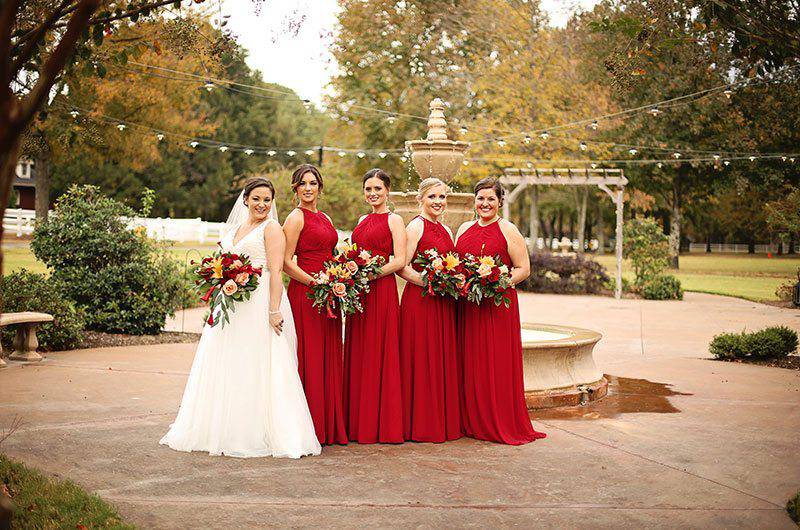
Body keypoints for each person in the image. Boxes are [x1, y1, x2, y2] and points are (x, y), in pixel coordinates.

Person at [160, 177, 321, 458]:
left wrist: (274, 311)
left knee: (258, 363)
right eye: (256, 199)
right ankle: (223, 427)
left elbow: (276, 272)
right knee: (228, 361)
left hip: (259, 306)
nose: (261, 204)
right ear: (245, 199)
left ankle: (258, 431)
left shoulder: (272, 229)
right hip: (231, 306)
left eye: (267, 200)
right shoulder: (235, 228)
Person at [454, 177, 546, 445]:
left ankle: (499, 420)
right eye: (480, 199)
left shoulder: (508, 230)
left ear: (499, 202)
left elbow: (523, 269)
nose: (485, 204)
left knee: (495, 363)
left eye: (490, 199)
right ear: (474, 201)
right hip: (469, 307)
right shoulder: (463, 229)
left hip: (496, 307)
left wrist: (495, 282)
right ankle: (472, 419)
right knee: (470, 363)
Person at [283, 164, 348, 446]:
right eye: (302, 184)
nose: (308, 188)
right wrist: (314, 283)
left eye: (312, 183)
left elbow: (331, 252)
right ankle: (307, 426)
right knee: (309, 355)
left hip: (329, 292)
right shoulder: (295, 218)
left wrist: (340, 276)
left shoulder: (325, 216)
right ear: (295, 189)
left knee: (328, 353)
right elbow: (286, 263)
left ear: (320, 187)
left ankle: (328, 424)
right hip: (307, 293)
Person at [343, 168, 406, 444]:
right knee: (359, 349)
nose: (372, 194)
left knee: (381, 350)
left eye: (377, 189)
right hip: (359, 294)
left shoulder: (395, 220)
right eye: (368, 189)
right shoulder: (361, 219)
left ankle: (382, 423)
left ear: (387, 191)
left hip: (381, 291)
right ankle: (358, 421)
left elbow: (400, 260)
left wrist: (371, 272)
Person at [398, 177, 462, 442]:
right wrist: (428, 281)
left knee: (439, 357)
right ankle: (419, 423)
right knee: (420, 359)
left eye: (442, 197)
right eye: (432, 197)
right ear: (420, 199)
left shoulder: (446, 230)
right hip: (421, 302)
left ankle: (441, 420)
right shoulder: (415, 226)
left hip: (443, 304)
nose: (438, 202)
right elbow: (403, 265)